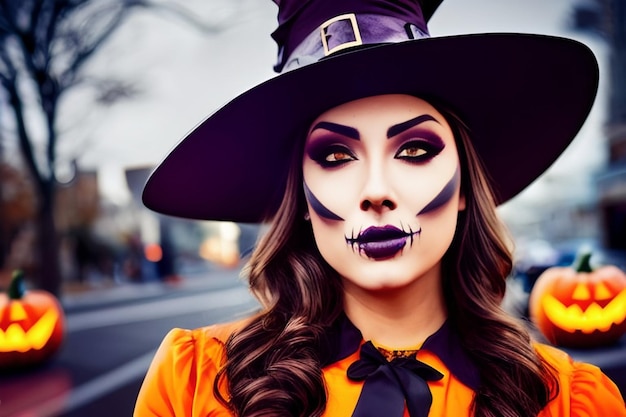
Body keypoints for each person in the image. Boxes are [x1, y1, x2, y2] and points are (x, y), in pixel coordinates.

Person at [134, 1, 626, 416]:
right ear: (303, 199)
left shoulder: (567, 399)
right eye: (335, 156)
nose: (375, 191)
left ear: (462, 188)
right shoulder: (195, 381)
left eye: (414, 150)